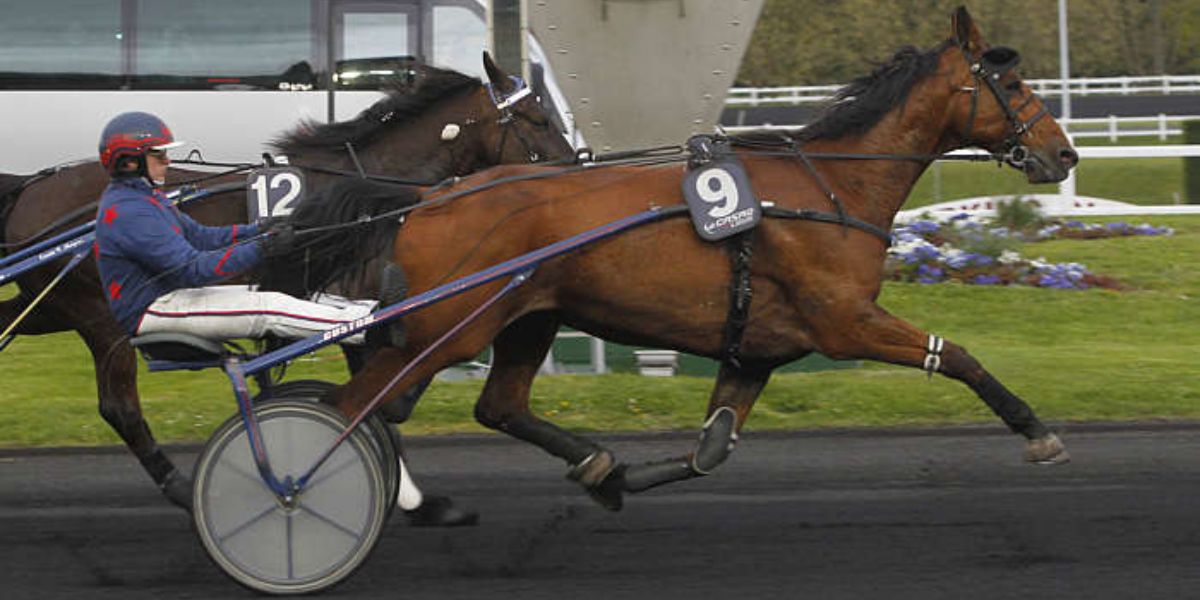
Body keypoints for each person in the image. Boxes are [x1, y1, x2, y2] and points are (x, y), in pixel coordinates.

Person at [93, 111, 476, 526]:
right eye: (159, 156)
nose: (167, 162)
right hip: (156, 310)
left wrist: (263, 229)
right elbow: (194, 267)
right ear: (130, 161)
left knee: (275, 298)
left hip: (171, 298)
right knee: (268, 307)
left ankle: (368, 315)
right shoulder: (128, 212)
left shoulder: (144, 201)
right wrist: (266, 249)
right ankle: (367, 328)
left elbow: (205, 238)